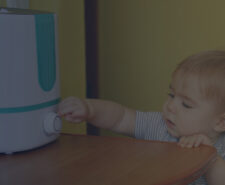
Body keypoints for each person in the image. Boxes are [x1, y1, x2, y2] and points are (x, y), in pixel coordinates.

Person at [57, 50, 225, 185]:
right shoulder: (159, 126)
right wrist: (90, 109)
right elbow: (120, 117)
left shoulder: (221, 148)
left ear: (220, 121)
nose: (170, 106)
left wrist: (211, 157)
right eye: (171, 95)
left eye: (186, 105)